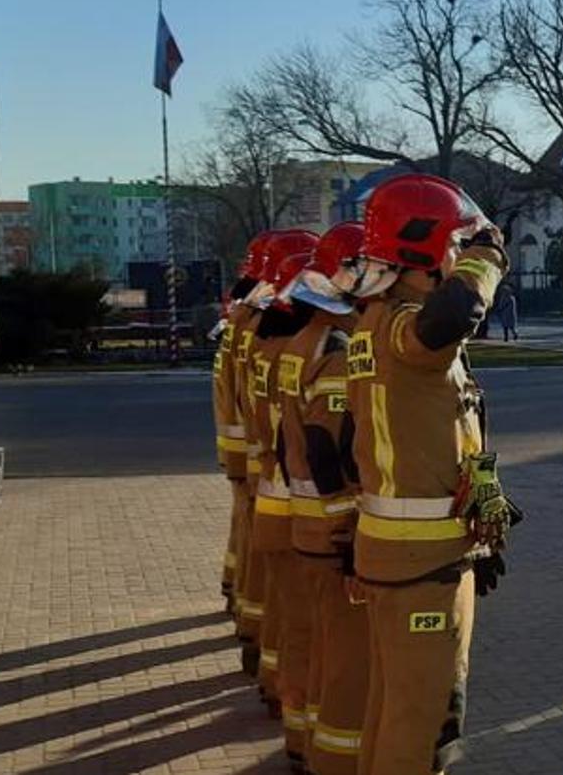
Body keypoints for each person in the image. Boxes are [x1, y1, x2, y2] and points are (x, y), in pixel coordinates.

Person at [338, 174, 517, 774]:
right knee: (424, 727)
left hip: (418, 555)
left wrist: (484, 524)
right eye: (453, 245)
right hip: (423, 562)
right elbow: (456, 313)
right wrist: (488, 256)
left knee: (394, 712)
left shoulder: (375, 326)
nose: (456, 256)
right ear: (426, 248)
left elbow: (454, 434)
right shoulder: (406, 328)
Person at [269, 222, 366, 768]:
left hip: (304, 520)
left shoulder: (300, 342)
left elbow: (291, 446)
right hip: (331, 530)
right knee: (345, 657)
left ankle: (301, 739)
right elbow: (327, 450)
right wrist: (348, 530)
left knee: (310, 639)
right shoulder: (335, 346)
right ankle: (334, 757)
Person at [238, 229, 320, 711]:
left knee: (289, 617)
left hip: (272, 489)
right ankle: (301, 730)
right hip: (303, 509)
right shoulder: (313, 351)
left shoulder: (264, 339)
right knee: (310, 628)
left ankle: (277, 688)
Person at [215, 232, 276, 639]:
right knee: (270, 564)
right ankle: (253, 624)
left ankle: (239, 599)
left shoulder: (242, 322)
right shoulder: (267, 331)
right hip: (268, 462)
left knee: (248, 536)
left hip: (247, 451)